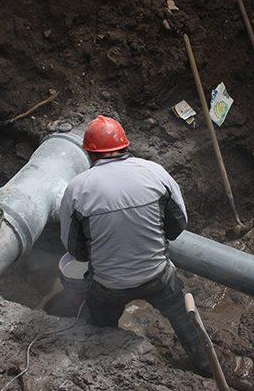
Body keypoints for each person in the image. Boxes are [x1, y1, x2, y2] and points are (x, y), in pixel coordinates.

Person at [59, 115, 211, 376]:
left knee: (100, 324)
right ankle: (204, 365)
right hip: (157, 276)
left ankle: (109, 369)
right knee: (181, 313)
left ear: (90, 154)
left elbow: (75, 250)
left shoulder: (77, 189)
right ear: (125, 146)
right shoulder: (155, 173)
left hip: (109, 286)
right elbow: (178, 224)